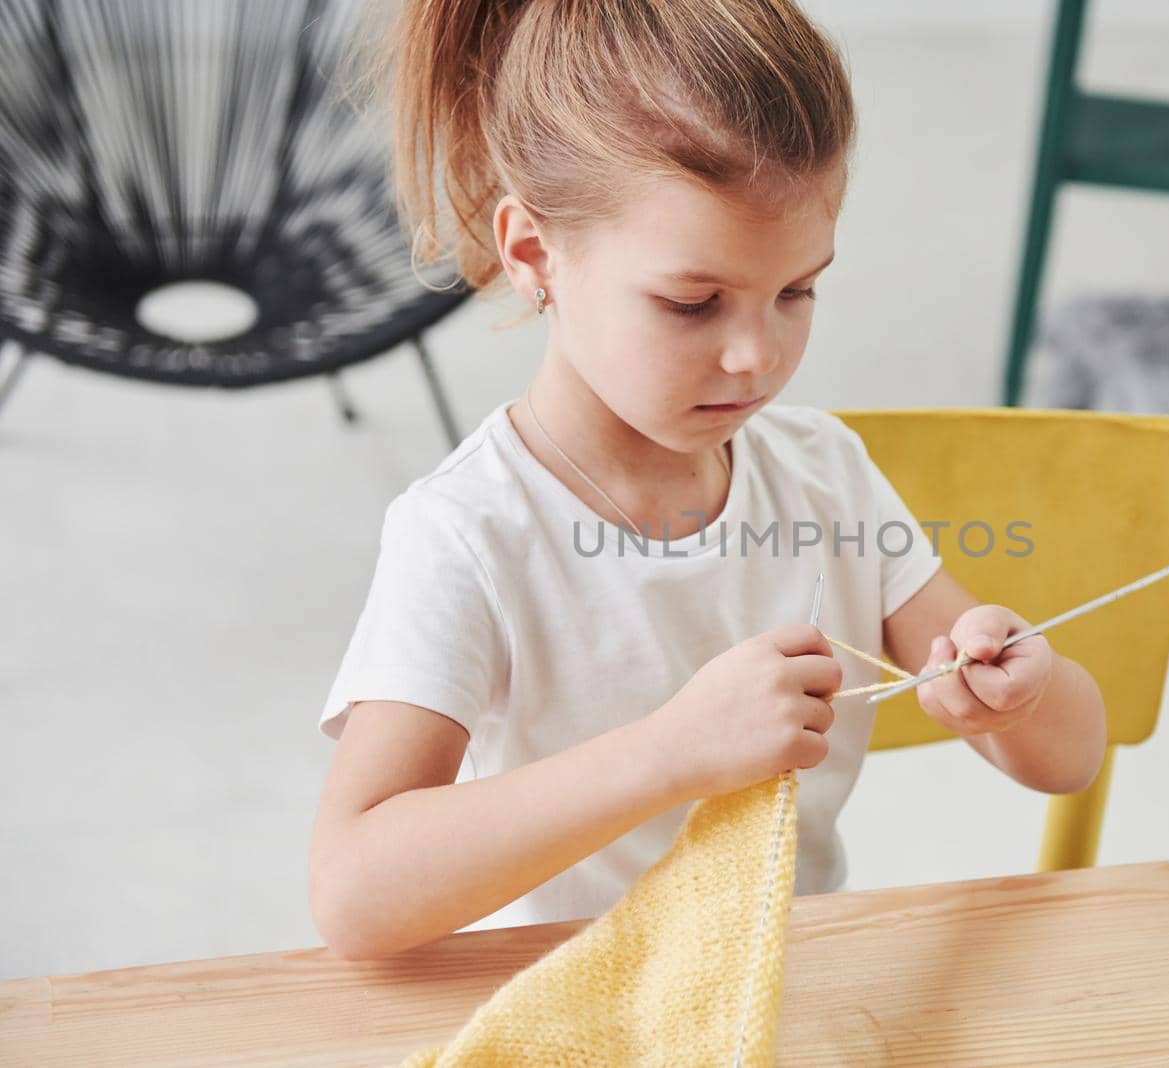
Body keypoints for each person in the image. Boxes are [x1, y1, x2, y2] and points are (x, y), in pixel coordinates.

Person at [308, 0, 1107, 961]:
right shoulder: (471, 533)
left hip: (778, 997)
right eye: (693, 304)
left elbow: (1069, 760)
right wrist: (669, 752)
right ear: (533, 255)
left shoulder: (824, 477)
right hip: (561, 1010)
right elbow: (352, 895)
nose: (754, 358)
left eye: (797, 291)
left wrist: (1017, 694)